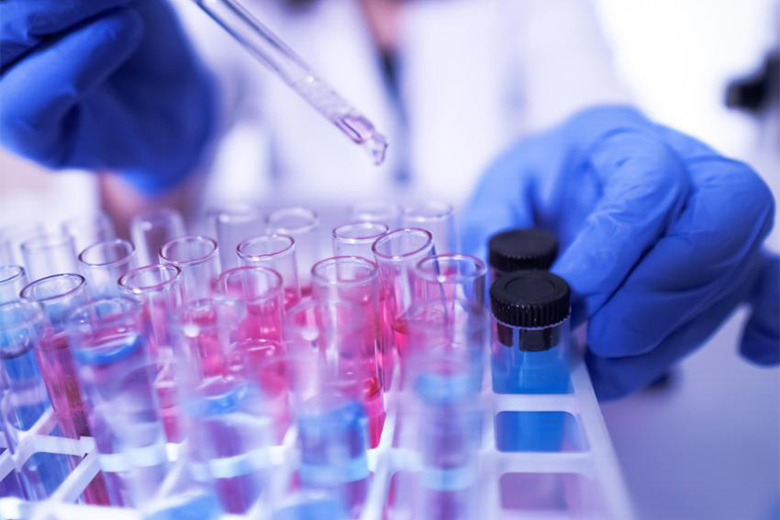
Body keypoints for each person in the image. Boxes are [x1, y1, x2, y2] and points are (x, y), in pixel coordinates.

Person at [0, 0, 777, 399]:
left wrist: (617, 174)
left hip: (484, 373)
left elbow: (589, 105)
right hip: (316, 374)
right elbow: (149, 228)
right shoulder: (247, 13)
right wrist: (156, 157)